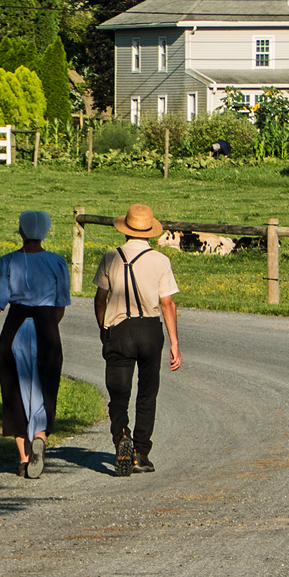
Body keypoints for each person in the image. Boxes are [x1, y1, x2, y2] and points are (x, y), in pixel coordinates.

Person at [0, 210, 71, 479]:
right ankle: (40, 436)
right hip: (46, 326)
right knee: (45, 385)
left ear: (21, 231)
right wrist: (49, 327)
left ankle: (25, 459)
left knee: (14, 389)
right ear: (46, 231)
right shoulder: (57, 263)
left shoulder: (6, 262)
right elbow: (60, 306)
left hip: (15, 327)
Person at [92, 204, 182, 477]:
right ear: (150, 231)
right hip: (150, 330)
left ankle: (121, 437)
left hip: (119, 328)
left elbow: (100, 299)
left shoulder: (111, 257)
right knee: (147, 393)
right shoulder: (161, 261)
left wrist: (103, 327)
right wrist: (175, 342)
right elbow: (167, 304)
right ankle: (141, 453)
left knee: (118, 393)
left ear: (126, 229)